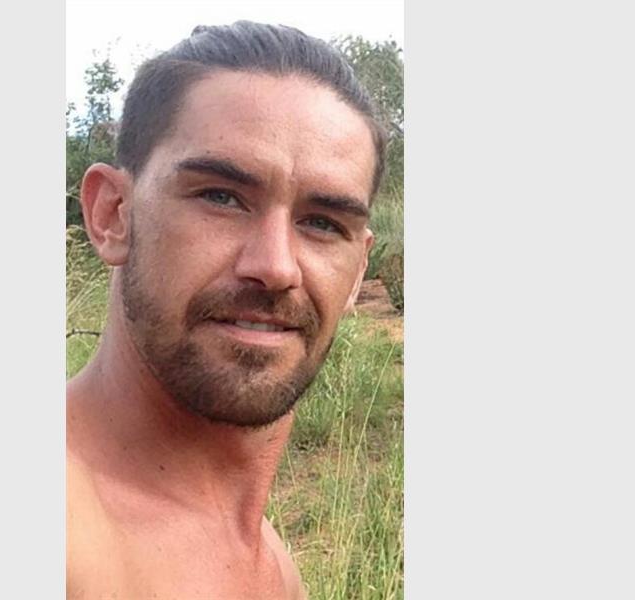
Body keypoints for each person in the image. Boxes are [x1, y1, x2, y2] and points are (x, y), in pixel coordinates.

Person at [67, 20, 386, 600]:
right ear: (112, 214)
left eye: (322, 223)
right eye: (221, 197)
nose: (276, 267)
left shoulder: (271, 564)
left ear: (359, 269)